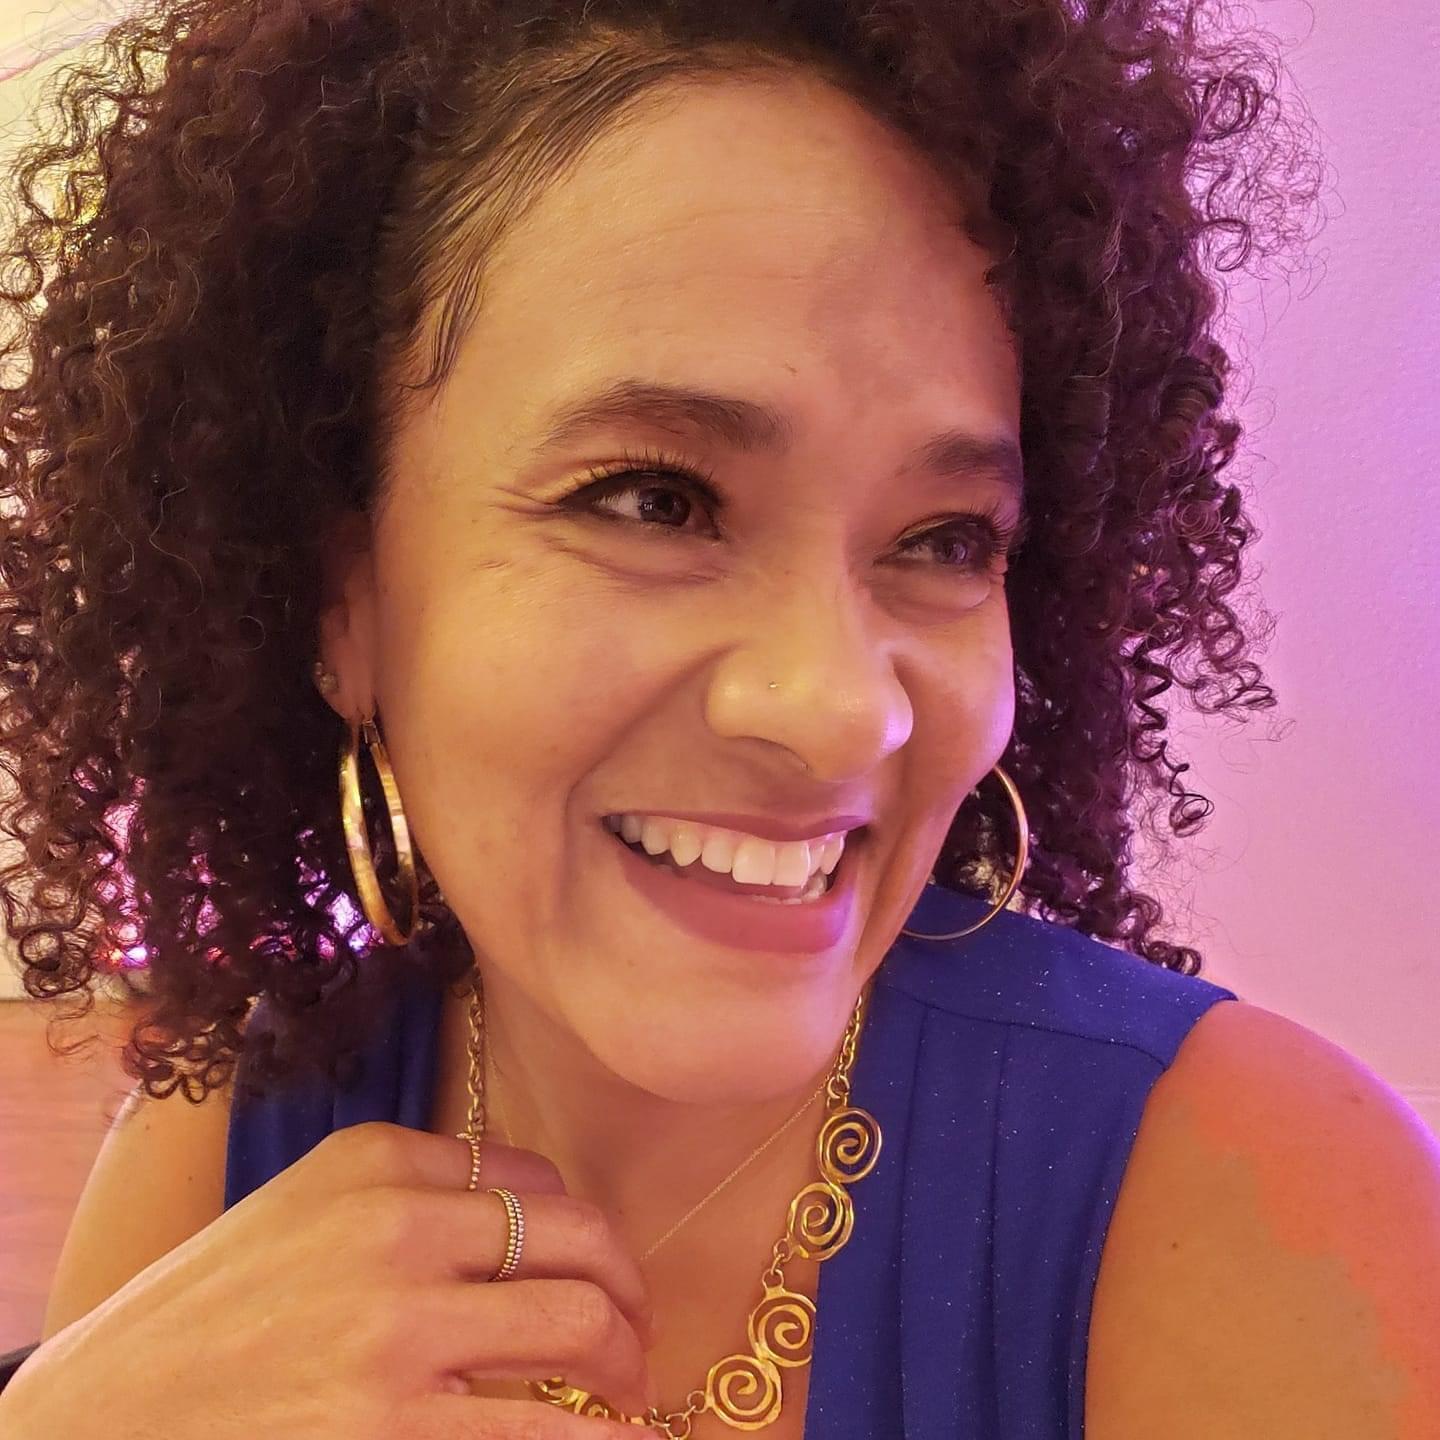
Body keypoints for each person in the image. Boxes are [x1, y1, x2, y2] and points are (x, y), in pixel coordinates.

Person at [5, 2, 1434, 1439]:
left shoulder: (1258, 1202)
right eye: (656, 502)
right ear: (344, 600)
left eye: (944, 539)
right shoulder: (222, 1150)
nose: (837, 712)